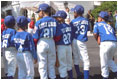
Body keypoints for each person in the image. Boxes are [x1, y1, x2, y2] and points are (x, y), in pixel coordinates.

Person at [33, 3, 60, 79]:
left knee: (42, 64)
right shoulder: (55, 21)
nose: (39, 13)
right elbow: (58, 36)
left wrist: (35, 46)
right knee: (51, 64)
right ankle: (52, 77)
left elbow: (35, 37)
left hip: (42, 42)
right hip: (51, 41)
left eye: (39, 12)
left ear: (42, 11)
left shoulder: (39, 22)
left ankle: (44, 78)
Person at [93, 11, 117, 79]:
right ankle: (116, 71)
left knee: (103, 61)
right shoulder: (109, 25)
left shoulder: (97, 24)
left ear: (101, 18)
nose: (98, 18)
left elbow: (95, 34)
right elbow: (114, 34)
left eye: (99, 17)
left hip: (105, 43)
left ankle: (105, 76)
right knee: (109, 59)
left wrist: (97, 39)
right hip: (114, 42)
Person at [70, 5, 90, 79]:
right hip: (81, 40)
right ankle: (86, 77)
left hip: (74, 40)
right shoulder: (86, 20)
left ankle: (78, 73)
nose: (73, 13)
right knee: (86, 60)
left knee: (76, 57)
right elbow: (87, 29)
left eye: (74, 12)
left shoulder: (73, 21)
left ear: (77, 12)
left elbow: (71, 32)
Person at [53, 10, 73, 79]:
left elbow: (57, 37)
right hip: (69, 46)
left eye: (57, 17)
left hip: (61, 46)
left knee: (62, 64)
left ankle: (63, 77)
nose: (55, 19)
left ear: (61, 18)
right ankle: (71, 77)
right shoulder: (68, 26)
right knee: (69, 63)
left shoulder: (59, 26)